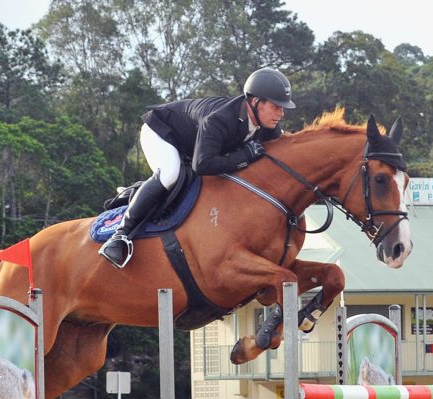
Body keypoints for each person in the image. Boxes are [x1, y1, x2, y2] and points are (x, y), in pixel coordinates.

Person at [99, 67, 296, 268]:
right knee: (170, 174)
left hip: (192, 145)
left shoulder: (268, 126)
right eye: (276, 107)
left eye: (282, 108)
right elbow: (203, 164)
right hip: (161, 133)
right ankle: (120, 236)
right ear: (255, 102)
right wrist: (245, 155)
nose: (281, 113)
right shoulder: (219, 119)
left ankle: (139, 192)